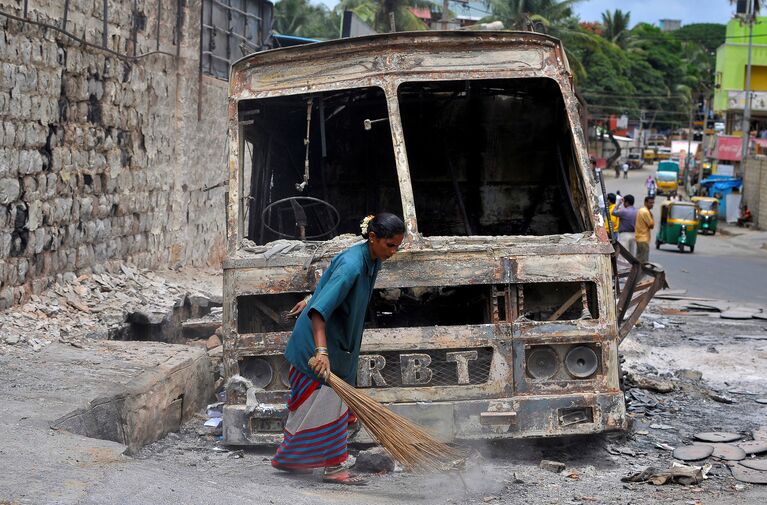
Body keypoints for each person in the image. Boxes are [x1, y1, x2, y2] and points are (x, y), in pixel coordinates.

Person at [272, 213, 405, 484]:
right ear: (372, 237)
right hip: (314, 344)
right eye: (390, 245)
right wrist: (321, 353)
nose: (394, 252)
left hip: (336, 344)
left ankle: (291, 461)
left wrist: (312, 296)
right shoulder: (353, 265)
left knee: (325, 407)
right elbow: (319, 314)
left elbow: (331, 288)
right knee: (328, 405)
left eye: (397, 246)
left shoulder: (372, 258)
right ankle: (334, 469)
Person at [635, 196, 655, 263]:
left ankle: (637, 272)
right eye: (650, 203)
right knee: (643, 260)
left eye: (653, 203)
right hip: (643, 238)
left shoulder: (641, 210)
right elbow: (651, 225)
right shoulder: (645, 212)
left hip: (639, 237)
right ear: (645, 202)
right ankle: (640, 273)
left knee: (639, 258)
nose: (652, 205)